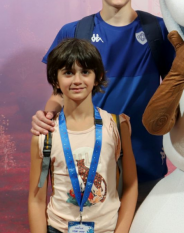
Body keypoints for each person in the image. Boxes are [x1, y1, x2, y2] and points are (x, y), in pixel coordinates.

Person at [30, 0, 175, 207]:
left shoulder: (159, 32)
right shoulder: (73, 32)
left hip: (147, 169)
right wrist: (46, 116)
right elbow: (58, 95)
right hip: (88, 171)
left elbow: (178, 88)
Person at [28, 38, 138, 233]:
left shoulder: (117, 126)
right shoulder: (44, 135)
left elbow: (130, 185)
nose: (77, 80)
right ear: (55, 79)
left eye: (85, 72)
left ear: (97, 77)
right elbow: (36, 199)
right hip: (58, 228)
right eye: (68, 73)